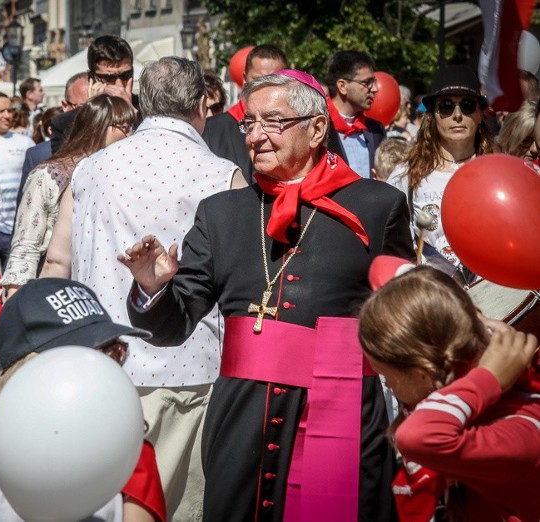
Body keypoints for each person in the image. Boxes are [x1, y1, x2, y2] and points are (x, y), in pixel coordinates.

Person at [120, 70, 413, 521]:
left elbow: (402, 319)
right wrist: (152, 286)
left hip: (342, 410)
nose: (255, 136)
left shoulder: (377, 206)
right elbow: (174, 324)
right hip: (242, 418)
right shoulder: (222, 213)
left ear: (317, 129)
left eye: (272, 122)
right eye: (248, 123)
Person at [43, 57, 247, 521]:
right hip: (190, 369)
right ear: (201, 106)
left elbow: (57, 261)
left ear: (138, 102)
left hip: (102, 363)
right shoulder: (222, 176)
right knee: (179, 509)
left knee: (103, 505)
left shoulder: (91, 169)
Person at [0, 277, 165, 522]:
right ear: (32, 369)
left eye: (115, 349)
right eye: (96, 353)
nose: (110, 366)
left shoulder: (130, 454)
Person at [358, 263, 539, 522]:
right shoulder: (447, 408)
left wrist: (488, 378)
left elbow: (418, 435)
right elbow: (382, 266)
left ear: (423, 373)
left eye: (388, 377)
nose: (388, 386)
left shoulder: (520, 427)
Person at [2, 95, 136, 296]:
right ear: (98, 126)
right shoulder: (48, 176)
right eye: (125, 127)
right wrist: (17, 307)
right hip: (55, 294)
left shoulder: (127, 175)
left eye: (133, 128)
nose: (130, 135)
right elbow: (25, 246)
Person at [387, 65, 494, 277]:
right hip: (433, 298)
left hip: (493, 299)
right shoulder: (407, 175)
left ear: (481, 114)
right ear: (433, 115)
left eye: (467, 105)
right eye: (446, 106)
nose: (457, 115)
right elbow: (390, 245)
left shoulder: (497, 174)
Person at [202, 44, 288, 179]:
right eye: (258, 80)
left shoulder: (295, 126)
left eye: (274, 80)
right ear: (244, 79)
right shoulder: (210, 130)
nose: (265, 87)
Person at [50, 35, 138, 153]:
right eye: (109, 78)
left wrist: (131, 114)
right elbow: (67, 166)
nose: (119, 85)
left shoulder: (148, 110)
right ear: (91, 78)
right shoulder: (65, 123)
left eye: (125, 76)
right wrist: (92, 116)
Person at [0, 92, 35, 272]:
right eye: (1, 111)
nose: (7, 115)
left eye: (10, 110)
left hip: (19, 228)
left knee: (15, 284)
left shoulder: (25, 142)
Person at [20, 72, 90, 196]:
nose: (95, 114)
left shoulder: (117, 151)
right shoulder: (39, 156)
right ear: (65, 106)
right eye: (84, 108)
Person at [324, 50, 387, 178]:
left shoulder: (376, 130)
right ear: (342, 86)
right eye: (367, 83)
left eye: (374, 82)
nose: (375, 89)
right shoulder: (319, 128)